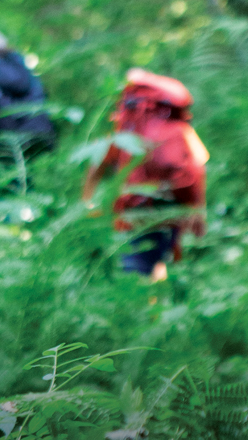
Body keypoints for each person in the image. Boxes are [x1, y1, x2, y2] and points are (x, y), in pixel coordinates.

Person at [82, 69, 208, 281]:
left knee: (136, 273)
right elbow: (198, 164)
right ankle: (161, 307)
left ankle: (146, 311)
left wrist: (88, 202)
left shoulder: (127, 129)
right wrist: (198, 209)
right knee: (159, 261)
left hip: (136, 208)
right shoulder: (179, 127)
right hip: (174, 206)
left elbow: (98, 164)